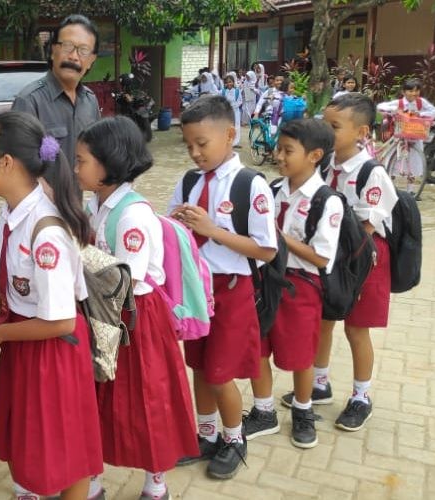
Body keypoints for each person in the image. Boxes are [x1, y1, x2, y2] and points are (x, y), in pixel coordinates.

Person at [0, 112, 102, 500]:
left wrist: (1, 334)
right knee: (23, 436)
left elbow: (61, 321)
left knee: (67, 448)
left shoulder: (46, 232)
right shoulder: (11, 213)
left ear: (6, 163)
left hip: (51, 349)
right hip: (25, 338)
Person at [76, 116, 198, 500]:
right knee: (96, 395)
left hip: (135, 317)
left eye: (81, 161)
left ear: (107, 164)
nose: (75, 168)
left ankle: (155, 483)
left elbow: (122, 278)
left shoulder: (133, 215)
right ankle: (91, 480)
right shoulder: (96, 203)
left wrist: (75, 259)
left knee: (149, 398)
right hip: (104, 310)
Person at [167, 95, 278, 479]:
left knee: (219, 372)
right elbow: (173, 232)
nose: (195, 153)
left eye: (202, 143)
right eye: (189, 146)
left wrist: (213, 230)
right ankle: (207, 434)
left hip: (231, 291)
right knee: (199, 366)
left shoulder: (250, 185)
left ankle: (234, 439)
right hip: (195, 291)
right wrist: (174, 224)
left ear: (230, 135)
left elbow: (266, 250)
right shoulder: (189, 182)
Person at [280, 93, 398, 432]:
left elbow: (365, 228)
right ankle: (320, 383)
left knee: (356, 328)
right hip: (329, 257)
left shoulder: (371, 173)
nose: (326, 131)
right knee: (323, 320)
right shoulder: (324, 163)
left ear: (361, 132)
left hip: (362, 259)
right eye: (324, 123)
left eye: (334, 126)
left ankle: (361, 396)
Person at [243, 119, 343, 449]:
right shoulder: (271, 191)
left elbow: (321, 258)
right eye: (279, 149)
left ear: (314, 155)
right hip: (265, 281)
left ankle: (303, 409)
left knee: (300, 355)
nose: (279, 156)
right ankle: (263, 411)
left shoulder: (326, 200)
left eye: (288, 151)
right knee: (258, 346)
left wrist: (279, 238)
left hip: (301, 288)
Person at [13, 14, 101, 199]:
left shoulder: (90, 101)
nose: (74, 56)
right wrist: (52, 201)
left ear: (92, 59)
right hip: (40, 209)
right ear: (53, 50)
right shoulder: (29, 100)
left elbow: (97, 155)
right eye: (67, 46)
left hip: (75, 206)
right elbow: (17, 164)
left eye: (83, 50)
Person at [376, 78, 435, 190]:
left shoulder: (420, 102)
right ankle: (389, 187)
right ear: (403, 92)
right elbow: (380, 107)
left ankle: (411, 190)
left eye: (416, 91)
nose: (414, 93)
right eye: (410, 91)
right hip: (400, 135)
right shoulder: (399, 103)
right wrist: (395, 110)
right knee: (393, 161)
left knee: (413, 164)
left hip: (416, 135)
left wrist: (420, 114)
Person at [221, 75, 243, 147]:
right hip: (226, 111)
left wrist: (234, 106)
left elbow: (240, 101)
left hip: (235, 111)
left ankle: (235, 142)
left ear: (233, 82)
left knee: (236, 126)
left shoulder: (237, 91)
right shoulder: (223, 91)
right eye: (227, 82)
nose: (229, 84)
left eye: (230, 82)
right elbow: (221, 101)